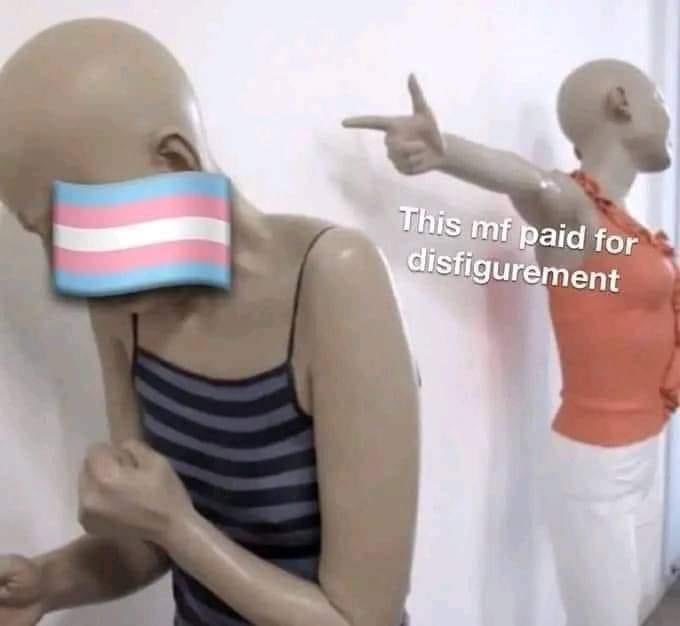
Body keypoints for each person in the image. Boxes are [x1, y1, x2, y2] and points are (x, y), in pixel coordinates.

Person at [0, 18, 419, 626]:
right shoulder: (123, 312)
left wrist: (178, 526)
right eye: (43, 236)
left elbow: (362, 618)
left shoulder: (331, 282)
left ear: (175, 162)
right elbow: (146, 544)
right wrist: (48, 583)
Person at [343, 63, 674, 626]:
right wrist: (445, 152)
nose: (668, 116)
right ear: (621, 101)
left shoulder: (628, 226)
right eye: (659, 99)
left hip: (647, 447)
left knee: (636, 609)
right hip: (599, 462)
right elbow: (530, 182)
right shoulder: (575, 211)